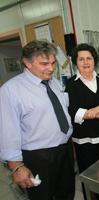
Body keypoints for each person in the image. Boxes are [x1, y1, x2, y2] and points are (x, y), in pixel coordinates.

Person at [0, 40, 75, 200]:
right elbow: (7, 131)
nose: (51, 68)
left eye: (53, 63)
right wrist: (16, 166)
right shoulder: (11, 90)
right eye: (44, 63)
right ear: (27, 63)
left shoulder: (54, 83)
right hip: (38, 156)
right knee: (42, 196)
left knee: (66, 192)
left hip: (64, 150)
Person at [65, 43, 99, 198]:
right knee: (90, 179)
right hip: (85, 142)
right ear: (76, 62)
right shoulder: (71, 84)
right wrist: (97, 113)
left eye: (89, 58)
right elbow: (73, 111)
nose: (86, 62)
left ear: (94, 61)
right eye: (81, 59)